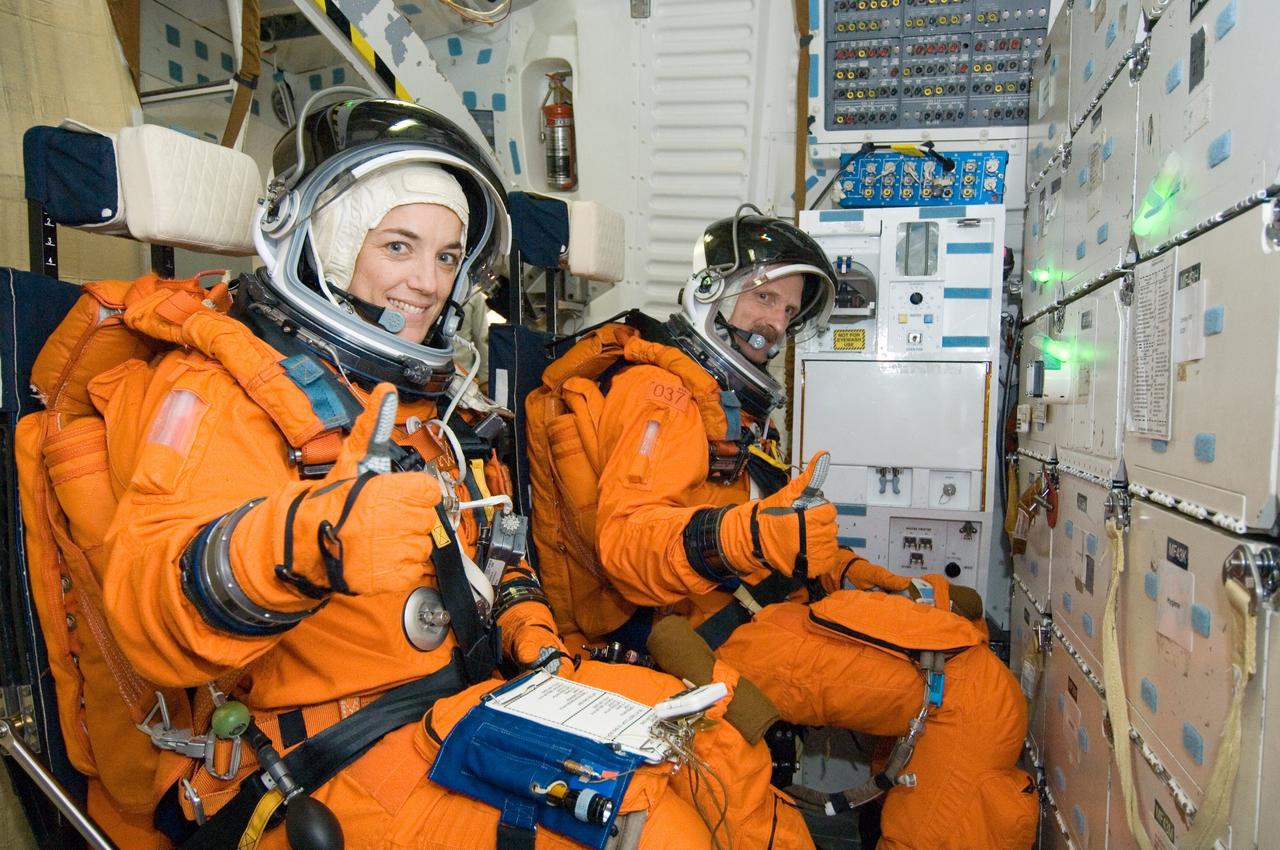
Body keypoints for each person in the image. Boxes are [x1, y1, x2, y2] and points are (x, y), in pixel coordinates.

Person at [28, 99, 813, 850]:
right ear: (329, 243)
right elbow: (151, 610)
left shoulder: (416, 406)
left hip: (462, 701)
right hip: (319, 761)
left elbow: (487, 559)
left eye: (445, 257)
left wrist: (528, 629)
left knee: (720, 751)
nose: (428, 281)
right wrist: (315, 540)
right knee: (659, 830)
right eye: (397, 246)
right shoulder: (212, 388)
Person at [525, 208, 1038, 849]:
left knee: (961, 648)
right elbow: (628, 545)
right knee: (973, 696)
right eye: (764, 296)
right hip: (701, 636)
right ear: (710, 290)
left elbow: (772, 525)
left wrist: (857, 576)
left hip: (753, 611)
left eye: (787, 311)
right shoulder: (665, 397)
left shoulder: (723, 404)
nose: (775, 323)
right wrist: (755, 537)